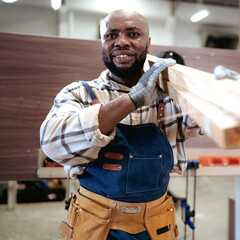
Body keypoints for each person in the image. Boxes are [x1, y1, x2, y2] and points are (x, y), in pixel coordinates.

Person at [40, 9, 204, 240]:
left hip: (155, 226)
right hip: (94, 224)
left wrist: (231, 94)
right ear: (102, 44)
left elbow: (220, 118)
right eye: (111, 35)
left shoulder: (171, 97)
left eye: (133, 34)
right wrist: (132, 100)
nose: (121, 42)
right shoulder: (79, 94)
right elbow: (52, 143)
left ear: (148, 44)